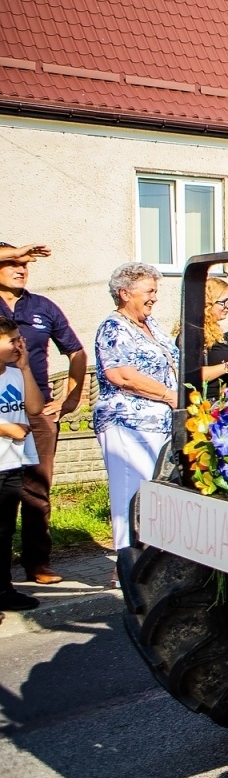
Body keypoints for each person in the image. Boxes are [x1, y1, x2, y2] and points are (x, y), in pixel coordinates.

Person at [0, 242, 86, 586]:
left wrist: (70, 399)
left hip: (36, 411)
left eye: (26, 264)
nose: (23, 268)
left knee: (36, 489)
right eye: (14, 263)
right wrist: (19, 248)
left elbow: (76, 351)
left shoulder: (43, 307)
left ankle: (37, 563)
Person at [94, 263, 178, 564]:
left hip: (159, 424)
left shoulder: (150, 325)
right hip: (128, 424)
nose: (154, 297)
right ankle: (127, 568)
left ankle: (151, 563)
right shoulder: (114, 327)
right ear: (124, 293)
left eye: (156, 290)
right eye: (149, 291)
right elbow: (121, 375)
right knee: (131, 496)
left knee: (155, 496)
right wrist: (168, 394)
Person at [0, 318, 45, 611]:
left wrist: (26, 368)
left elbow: (36, 408)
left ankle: (4, 591)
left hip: (13, 463)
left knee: (4, 532)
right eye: (11, 341)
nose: (19, 345)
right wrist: (6, 428)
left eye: (20, 339)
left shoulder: (15, 374)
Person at [176, 277, 228, 398]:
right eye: (224, 301)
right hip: (207, 406)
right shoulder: (192, 334)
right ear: (208, 303)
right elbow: (191, 375)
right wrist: (227, 366)